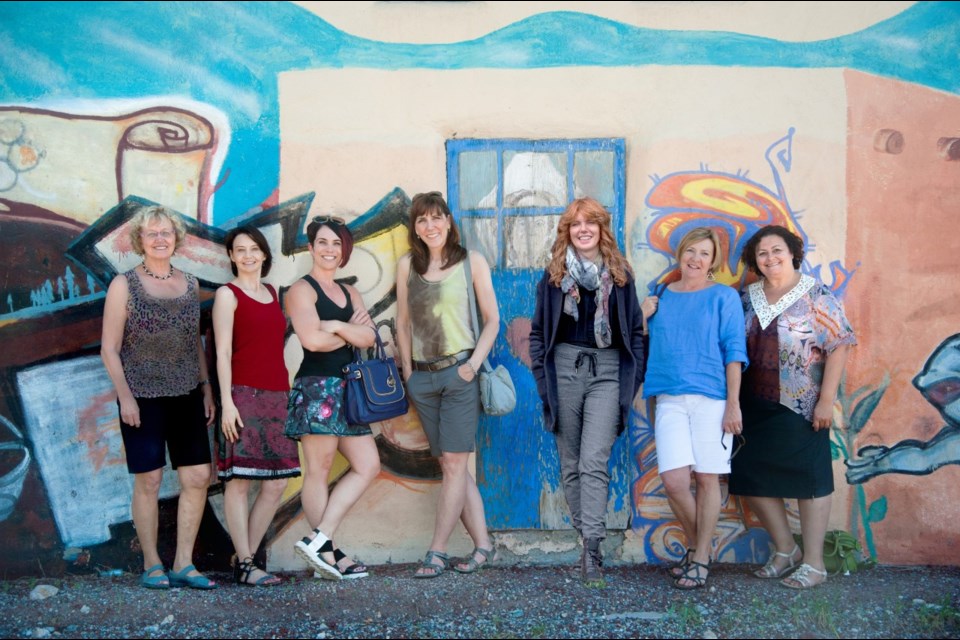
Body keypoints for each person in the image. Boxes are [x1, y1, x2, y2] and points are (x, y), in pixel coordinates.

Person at [729, 225, 856, 589]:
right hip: (753, 403)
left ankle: (815, 564)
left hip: (801, 404)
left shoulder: (815, 293)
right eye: (762, 254)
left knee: (809, 481)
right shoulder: (747, 296)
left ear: (792, 252)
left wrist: (826, 401)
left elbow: (841, 343)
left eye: (776, 250)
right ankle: (786, 550)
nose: (770, 259)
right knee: (749, 475)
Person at [529, 197, 646, 584]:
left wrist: (634, 378)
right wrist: (545, 383)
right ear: (567, 230)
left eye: (590, 223)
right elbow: (538, 335)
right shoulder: (552, 277)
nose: (583, 229)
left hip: (609, 370)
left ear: (601, 229)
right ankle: (588, 541)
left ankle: (591, 551)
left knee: (593, 461)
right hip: (564, 368)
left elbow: (635, 331)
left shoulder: (621, 275)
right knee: (571, 464)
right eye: (575, 223)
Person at [100, 206, 217, 590]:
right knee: (149, 480)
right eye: (152, 234)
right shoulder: (125, 284)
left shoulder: (188, 283)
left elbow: (194, 343)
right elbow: (109, 349)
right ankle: (152, 563)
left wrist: (205, 387)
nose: (160, 239)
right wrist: (126, 398)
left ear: (176, 237)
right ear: (140, 240)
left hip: (186, 393)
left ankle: (184, 562)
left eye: (166, 232)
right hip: (142, 397)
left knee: (198, 476)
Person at [395, 191, 498, 578]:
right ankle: (484, 546)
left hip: (459, 375)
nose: (430, 226)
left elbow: (492, 320)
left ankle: (436, 552)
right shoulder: (407, 265)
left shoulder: (471, 262)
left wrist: (472, 365)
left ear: (449, 221)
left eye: (437, 217)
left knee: (455, 463)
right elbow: (403, 322)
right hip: (422, 378)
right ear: (415, 228)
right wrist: (408, 372)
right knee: (451, 465)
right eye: (422, 220)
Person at [640, 227, 747, 590]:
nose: (696, 259)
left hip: (712, 399)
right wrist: (642, 317)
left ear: (713, 260)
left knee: (706, 478)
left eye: (704, 253)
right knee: (674, 481)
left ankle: (698, 556)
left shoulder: (724, 297)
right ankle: (699, 546)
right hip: (669, 397)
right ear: (680, 254)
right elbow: (637, 344)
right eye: (691, 251)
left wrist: (733, 404)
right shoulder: (661, 296)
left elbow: (735, 352)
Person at [286, 216, 380, 580]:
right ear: (311, 248)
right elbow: (312, 341)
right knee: (320, 470)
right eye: (323, 242)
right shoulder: (301, 290)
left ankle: (319, 540)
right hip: (317, 388)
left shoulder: (350, 292)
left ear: (344, 251)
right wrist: (353, 331)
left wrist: (338, 326)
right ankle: (329, 554)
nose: (329, 250)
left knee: (368, 464)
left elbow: (370, 337)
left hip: (350, 390)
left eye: (336, 244)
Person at [212, 226, 301, 586]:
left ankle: (243, 557)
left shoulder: (271, 292)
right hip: (243, 397)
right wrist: (227, 403)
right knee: (239, 483)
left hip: (278, 396)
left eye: (254, 249)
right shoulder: (226, 296)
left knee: (276, 484)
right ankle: (248, 564)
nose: (248, 255)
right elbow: (221, 352)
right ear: (231, 257)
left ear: (264, 255)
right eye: (240, 250)